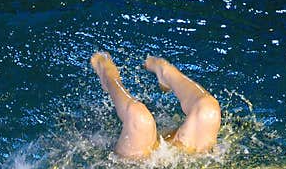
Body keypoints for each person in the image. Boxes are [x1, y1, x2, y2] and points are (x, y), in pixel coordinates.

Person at [89, 52, 222, 158]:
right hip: (169, 168)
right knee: (208, 110)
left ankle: (111, 78)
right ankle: (110, 78)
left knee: (139, 118)